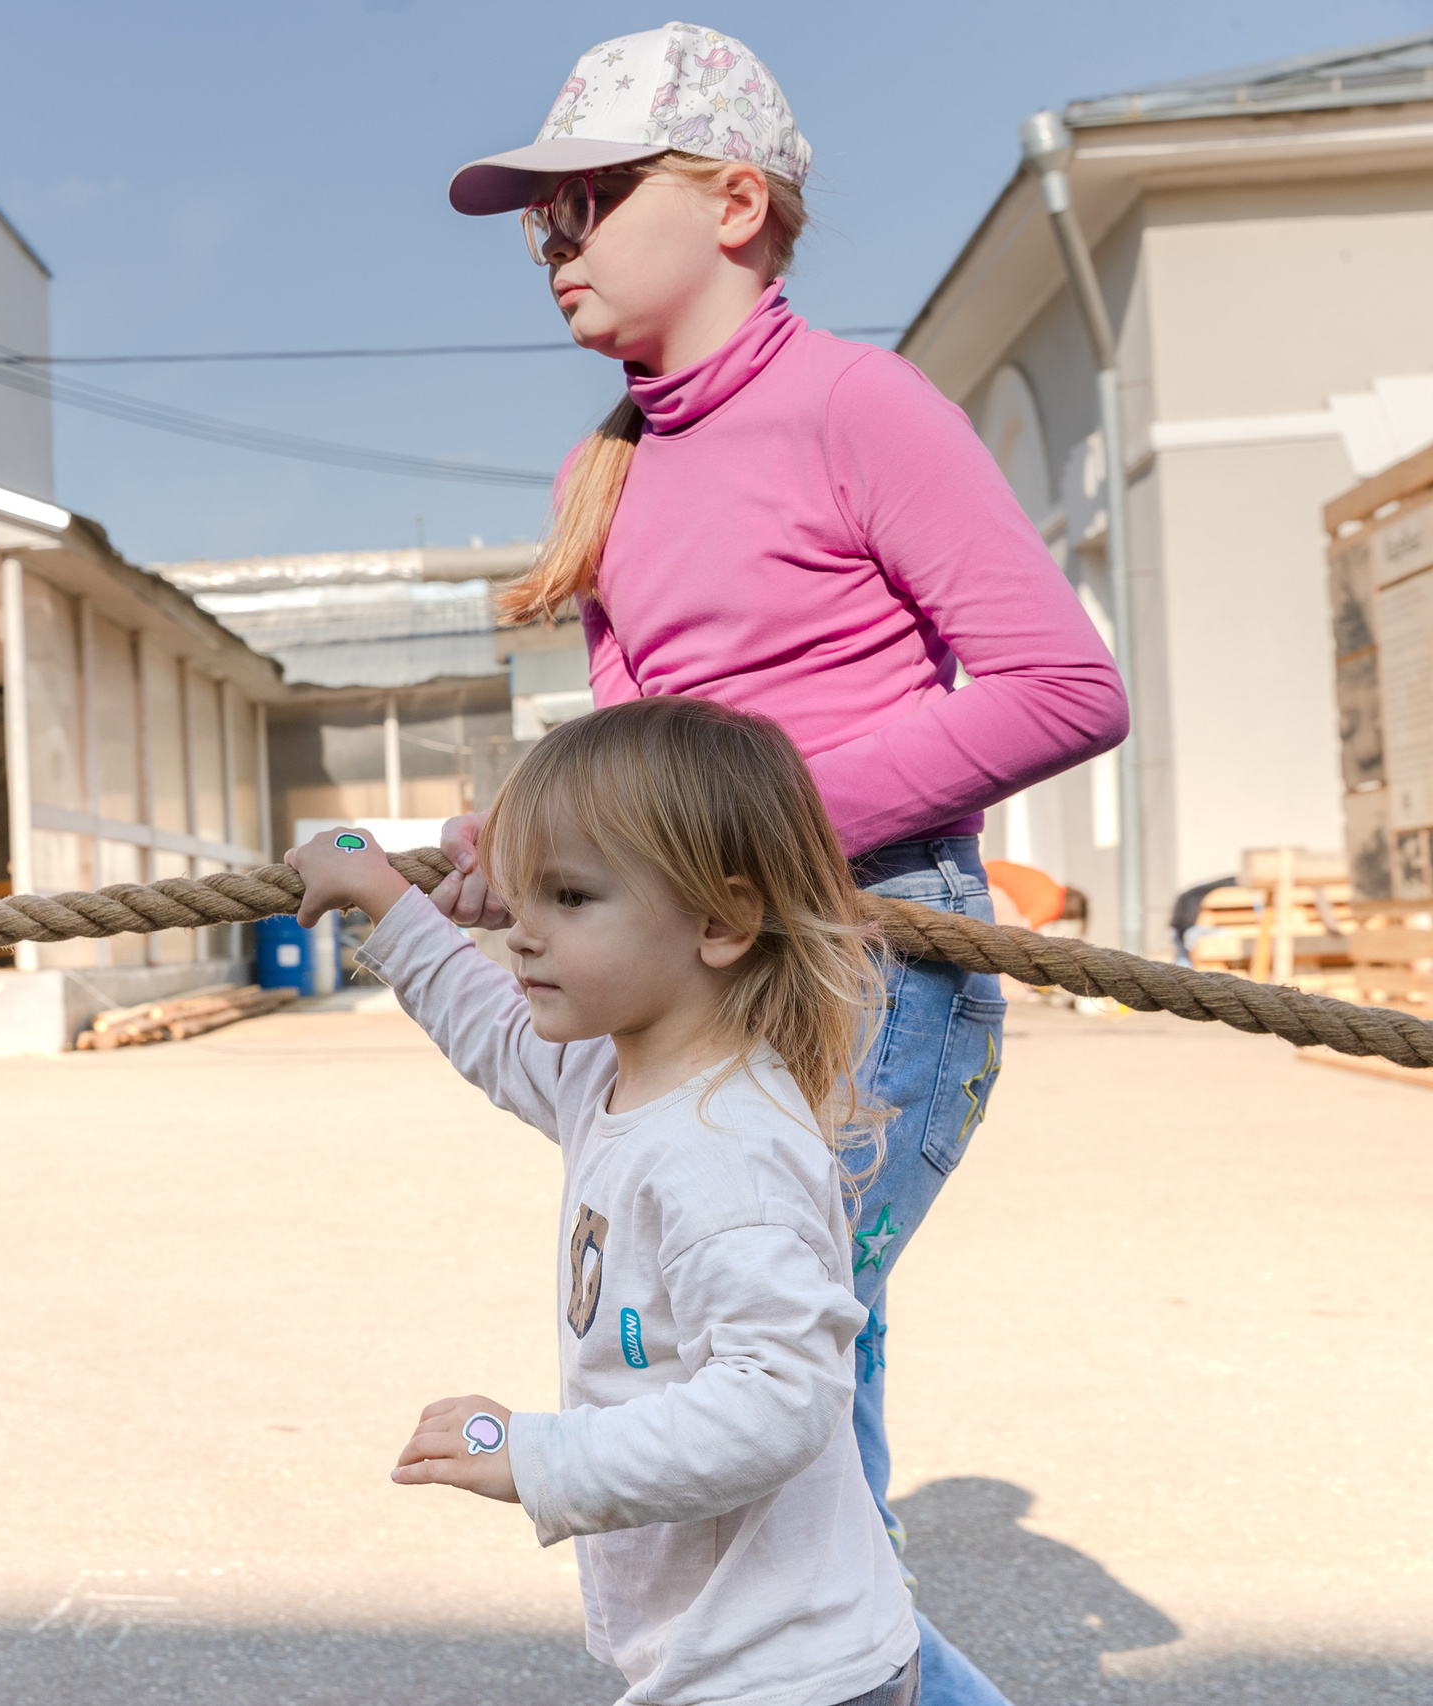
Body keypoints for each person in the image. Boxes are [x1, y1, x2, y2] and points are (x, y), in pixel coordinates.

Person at [427, 24, 1130, 1705]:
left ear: (735, 201)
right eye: (541, 219)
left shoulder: (856, 405)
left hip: (866, 967)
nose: (557, 244)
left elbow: (1062, 686)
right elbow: (638, 786)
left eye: (589, 201)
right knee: (751, 1414)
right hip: (709, 964)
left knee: (788, 1417)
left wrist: (750, 825)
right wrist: (529, 852)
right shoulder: (611, 472)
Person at [291, 696, 922, 1706]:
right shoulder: (616, 1073)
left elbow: (778, 1397)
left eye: (571, 897)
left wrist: (534, 1450)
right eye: (521, 894)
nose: (522, 934)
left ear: (721, 919)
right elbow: (493, 1031)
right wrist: (382, 885)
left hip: (783, 1678)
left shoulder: (725, 1150)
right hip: (721, 1656)